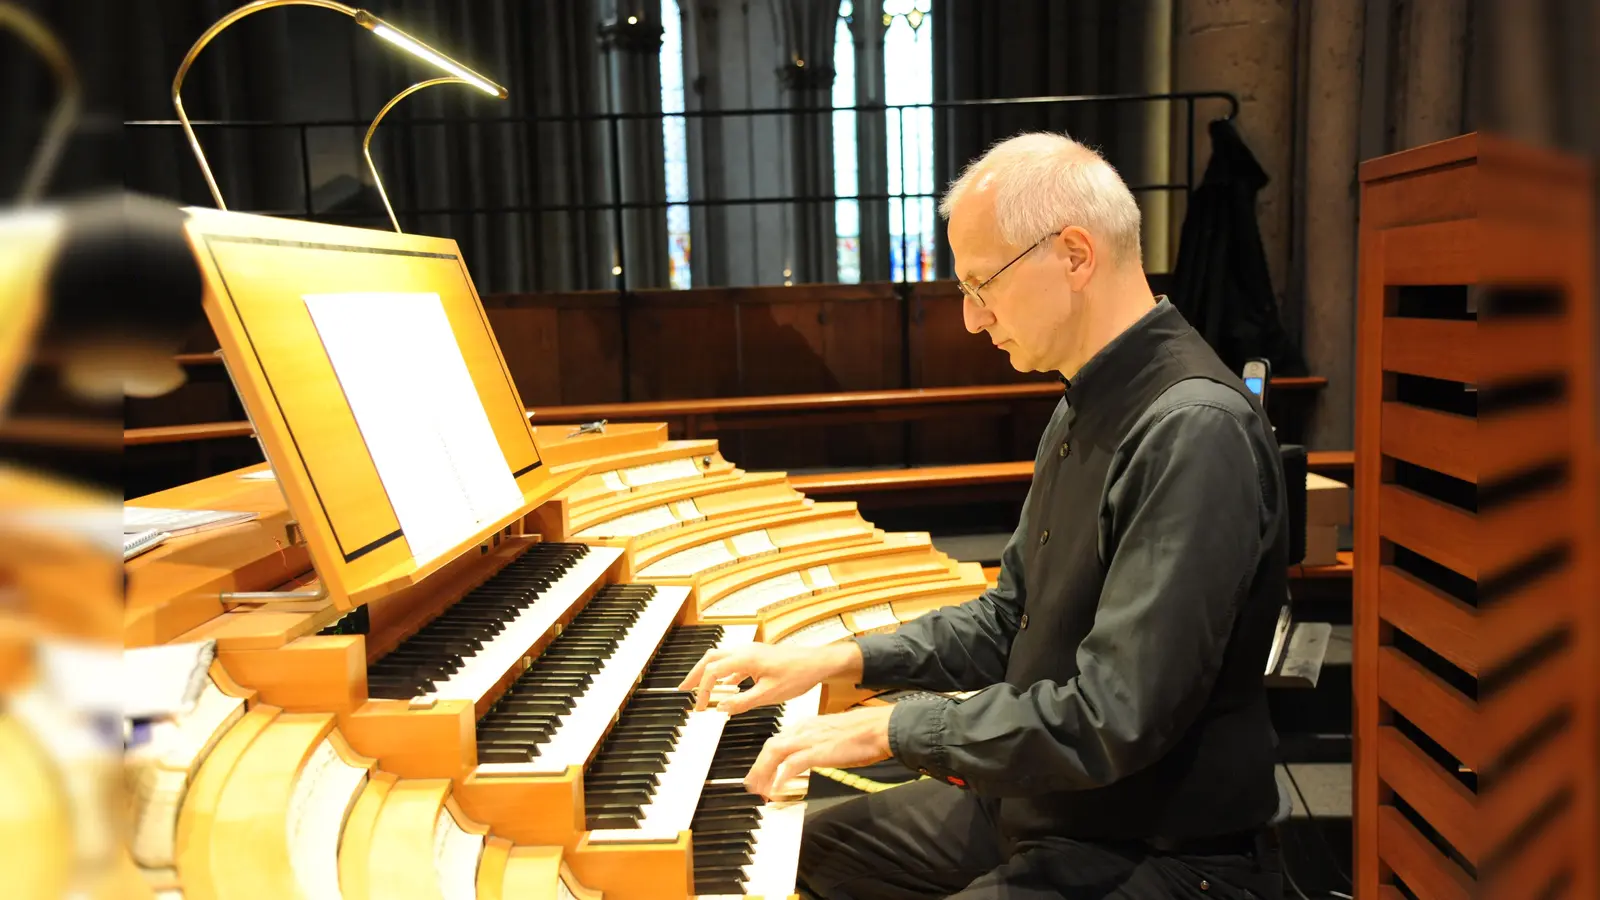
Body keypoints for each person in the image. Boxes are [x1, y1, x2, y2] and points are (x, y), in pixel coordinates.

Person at [678, 131, 1289, 899]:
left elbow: (1115, 715)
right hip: (1046, 804)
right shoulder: (1083, 407)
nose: (971, 319)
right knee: (780, 854)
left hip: (1158, 848)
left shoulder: (1192, 429)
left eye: (981, 284)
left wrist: (891, 729)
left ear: (1073, 254)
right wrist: (836, 660)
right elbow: (1012, 621)